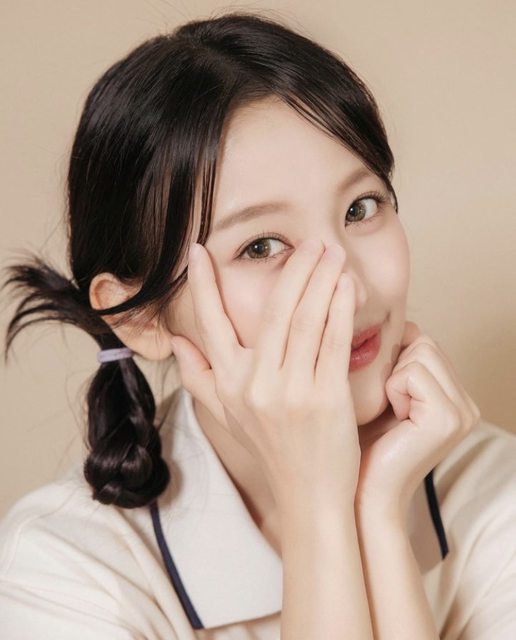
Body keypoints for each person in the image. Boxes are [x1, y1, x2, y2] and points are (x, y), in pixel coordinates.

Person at [1, 11, 515, 640]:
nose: (350, 290)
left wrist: (376, 512)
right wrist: (318, 505)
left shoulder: (496, 493)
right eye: (262, 246)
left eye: (361, 208)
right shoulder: (61, 574)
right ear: (138, 316)